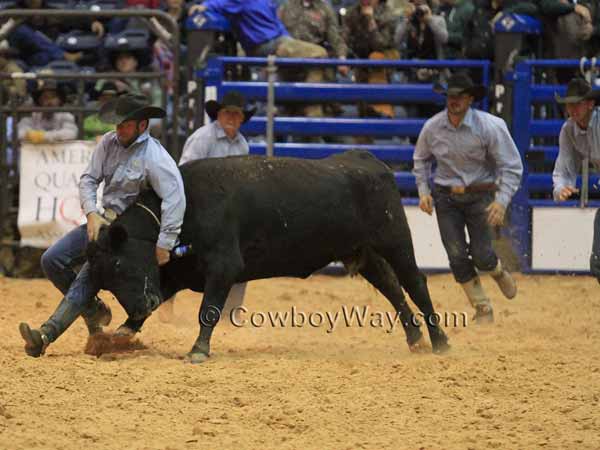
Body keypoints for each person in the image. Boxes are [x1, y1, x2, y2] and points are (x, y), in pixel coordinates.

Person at [19, 94, 186, 357]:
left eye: (125, 125)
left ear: (142, 126)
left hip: (130, 234)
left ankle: (45, 335)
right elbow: (88, 179)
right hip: (104, 223)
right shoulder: (109, 142)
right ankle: (93, 309)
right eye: (117, 124)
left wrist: (165, 242)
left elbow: (175, 199)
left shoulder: (155, 157)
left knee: (89, 274)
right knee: (51, 260)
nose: (118, 129)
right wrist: (91, 213)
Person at [413, 73, 523, 324]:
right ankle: (483, 307)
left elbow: (512, 165)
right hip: (445, 196)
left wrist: (501, 201)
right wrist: (423, 191)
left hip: (479, 195)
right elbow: (420, 160)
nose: (454, 101)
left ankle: (497, 270)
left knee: (482, 255)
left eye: (460, 96)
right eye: (451, 96)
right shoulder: (432, 127)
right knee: (456, 255)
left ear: (470, 99)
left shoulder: (490, 126)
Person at [158, 90, 255, 323]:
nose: (232, 118)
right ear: (218, 115)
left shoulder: (242, 144)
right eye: (227, 113)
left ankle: (231, 312)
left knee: (241, 257)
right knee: (175, 255)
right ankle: (164, 304)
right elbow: (185, 173)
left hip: (226, 212)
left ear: (242, 119)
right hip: (197, 207)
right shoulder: (203, 138)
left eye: (236, 114)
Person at [188, 0, 327, 116]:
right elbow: (223, 2)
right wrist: (206, 5)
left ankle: (314, 106)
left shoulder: (266, 1)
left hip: (280, 41)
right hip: (266, 45)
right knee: (320, 53)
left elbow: (278, 25)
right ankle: (314, 104)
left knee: (311, 67)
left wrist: (291, 45)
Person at [552, 77, 600, 279]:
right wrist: (561, 187)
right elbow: (564, 168)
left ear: (590, 104)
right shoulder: (569, 130)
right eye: (568, 104)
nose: (571, 108)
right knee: (598, 263)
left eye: (577, 103)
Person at [344, 0, 399, 120]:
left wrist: (370, 19)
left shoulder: (388, 13)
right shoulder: (352, 13)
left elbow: (380, 44)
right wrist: (344, 56)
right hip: (361, 61)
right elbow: (345, 39)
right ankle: (363, 135)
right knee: (363, 108)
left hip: (382, 63)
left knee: (381, 104)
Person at [17, 78, 78, 144]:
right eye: (45, 97)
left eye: (53, 97)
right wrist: (30, 135)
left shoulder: (66, 115)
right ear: (39, 101)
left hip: (60, 152)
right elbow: (19, 133)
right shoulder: (33, 115)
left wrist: (42, 136)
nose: (49, 101)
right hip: (36, 152)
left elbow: (71, 133)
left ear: (60, 100)